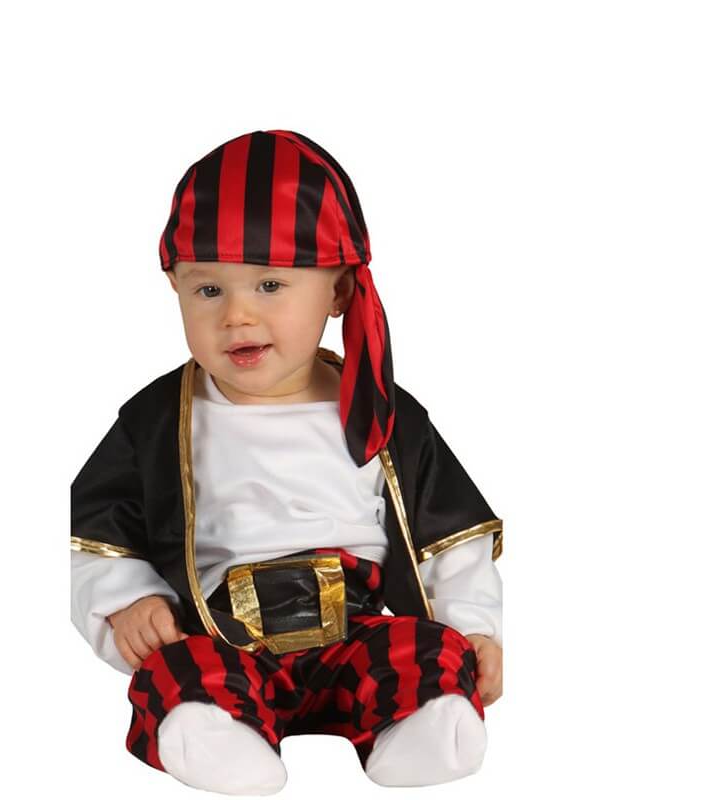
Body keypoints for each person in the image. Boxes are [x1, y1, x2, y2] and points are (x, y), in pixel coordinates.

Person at [71, 129, 503, 795]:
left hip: (357, 637)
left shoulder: (380, 414)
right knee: (177, 672)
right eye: (208, 290)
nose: (237, 315)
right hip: (224, 639)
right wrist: (127, 600)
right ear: (174, 286)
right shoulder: (156, 421)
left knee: (425, 652)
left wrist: (474, 629)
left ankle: (419, 724)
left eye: (270, 284)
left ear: (338, 291)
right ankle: (217, 735)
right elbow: (92, 532)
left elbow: (448, 540)